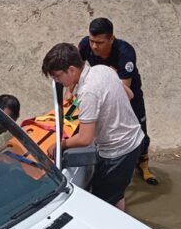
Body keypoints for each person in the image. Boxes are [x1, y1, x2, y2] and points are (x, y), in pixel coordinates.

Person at [42, 42, 145, 212]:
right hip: (134, 140)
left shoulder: (87, 92)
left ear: (72, 70)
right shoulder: (102, 69)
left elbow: (85, 138)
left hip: (118, 151)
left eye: (57, 76)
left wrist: (61, 144)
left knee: (102, 204)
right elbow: (130, 94)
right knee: (116, 194)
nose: (57, 81)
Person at [78, 17, 159, 185]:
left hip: (129, 96)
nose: (94, 46)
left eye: (99, 42)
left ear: (111, 39)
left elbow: (124, 91)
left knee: (140, 131)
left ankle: (144, 165)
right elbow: (76, 69)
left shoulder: (125, 53)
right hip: (101, 94)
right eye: (92, 41)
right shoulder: (85, 45)